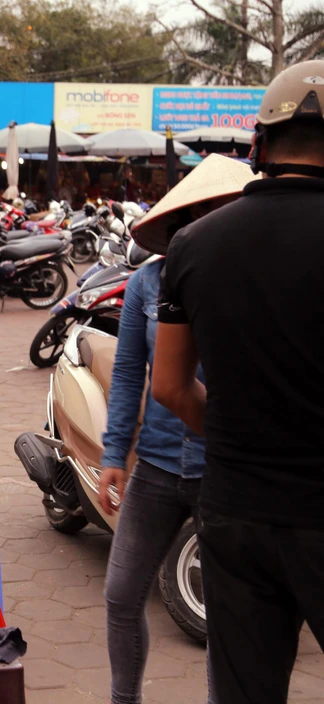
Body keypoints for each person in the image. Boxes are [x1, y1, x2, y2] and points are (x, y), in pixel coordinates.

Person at [151, 61, 324, 704]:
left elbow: (168, 386)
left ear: (259, 145)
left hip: (232, 511)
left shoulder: (193, 245)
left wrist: (236, 432)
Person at [99, 155, 258, 704]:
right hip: (159, 466)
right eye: (201, 212)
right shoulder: (148, 281)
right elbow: (128, 373)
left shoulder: (260, 281)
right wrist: (114, 453)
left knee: (230, 612)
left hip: (228, 473)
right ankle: (125, 699)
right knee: (121, 595)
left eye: (225, 210)